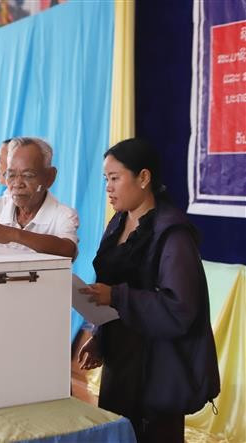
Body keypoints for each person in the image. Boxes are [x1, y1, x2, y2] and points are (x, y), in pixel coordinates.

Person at [78, 138, 220, 442]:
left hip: (158, 366)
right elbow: (113, 287)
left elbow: (180, 308)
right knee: (120, 432)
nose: (108, 188)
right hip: (121, 359)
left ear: (144, 178)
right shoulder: (118, 223)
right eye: (106, 179)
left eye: (115, 179)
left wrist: (115, 296)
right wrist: (101, 337)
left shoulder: (173, 234)